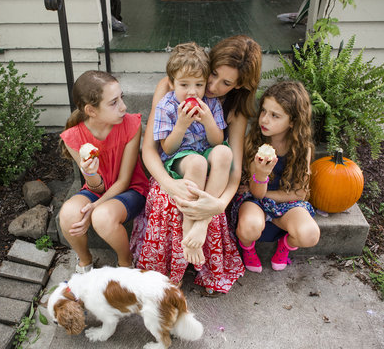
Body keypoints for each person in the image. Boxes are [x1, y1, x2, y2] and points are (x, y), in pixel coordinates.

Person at [130, 35, 262, 294]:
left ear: (238, 86)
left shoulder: (230, 107)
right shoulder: (172, 88)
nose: (210, 86)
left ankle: (199, 229)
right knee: (167, 197)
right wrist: (170, 185)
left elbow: (232, 166)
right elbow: (151, 150)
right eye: (212, 74)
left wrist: (215, 207)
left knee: (218, 161)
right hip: (177, 167)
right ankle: (170, 272)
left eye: (225, 83)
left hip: (214, 175)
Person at [58, 70, 148, 273]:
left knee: (101, 216)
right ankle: (85, 262)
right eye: (113, 102)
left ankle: (126, 263)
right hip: (99, 189)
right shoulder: (74, 137)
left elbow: (124, 181)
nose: (123, 107)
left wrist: (95, 207)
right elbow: (95, 186)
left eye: (121, 98)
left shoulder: (131, 125)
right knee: (68, 214)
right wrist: (90, 174)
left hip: (131, 190)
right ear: (91, 110)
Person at [153, 42, 232, 267]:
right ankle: (189, 222)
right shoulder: (166, 107)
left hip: (205, 151)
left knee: (225, 153)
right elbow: (166, 148)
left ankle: (202, 223)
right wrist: (181, 125)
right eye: (184, 84)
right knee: (197, 162)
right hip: (179, 159)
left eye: (199, 84)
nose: (192, 91)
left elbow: (217, 141)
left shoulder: (211, 103)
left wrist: (208, 120)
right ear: (171, 83)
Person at [231, 81, 320, 273]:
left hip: (287, 205)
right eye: (264, 111)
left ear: (292, 122)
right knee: (249, 227)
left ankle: (285, 245)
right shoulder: (254, 143)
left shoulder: (303, 148)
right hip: (254, 201)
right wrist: (261, 173)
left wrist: (273, 200)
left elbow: (300, 193)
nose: (264, 119)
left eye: (274, 116)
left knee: (310, 234)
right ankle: (247, 248)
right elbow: (256, 193)